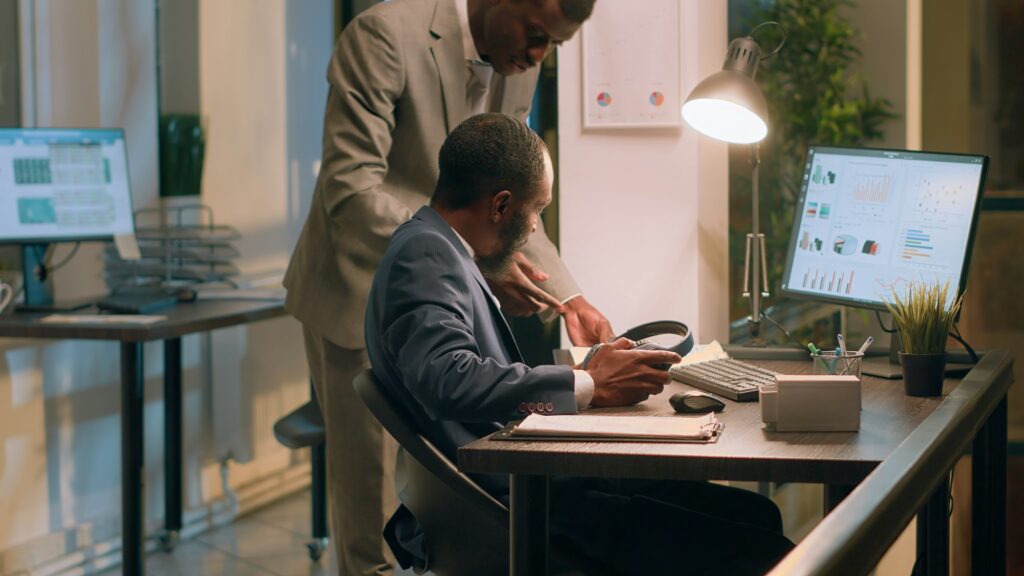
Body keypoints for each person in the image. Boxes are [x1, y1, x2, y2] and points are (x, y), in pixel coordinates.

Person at [365, 113, 795, 575]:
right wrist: (586, 383)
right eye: (538, 209)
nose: (534, 228)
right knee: (760, 544)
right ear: (501, 205)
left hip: (526, 484)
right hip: (516, 505)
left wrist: (591, 372)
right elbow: (447, 379)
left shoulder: (439, 248)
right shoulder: (425, 253)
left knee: (758, 516)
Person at [283, 0, 607, 573]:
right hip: (358, 287)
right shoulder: (382, 36)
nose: (537, 55)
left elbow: (512, 196)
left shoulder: (519, 61)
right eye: (534, 34)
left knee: (441, 510)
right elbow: (349, 190)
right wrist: (467, 260)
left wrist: (570, 298)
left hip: (446, 296)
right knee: (376, 523)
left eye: (550, 45)